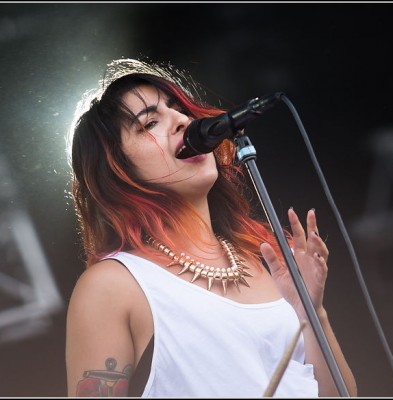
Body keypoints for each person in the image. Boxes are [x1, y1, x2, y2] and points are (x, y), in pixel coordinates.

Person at [65, 58, 357, 397]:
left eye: (179, 109)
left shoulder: (270, 260)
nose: (181, 122)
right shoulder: (115, 286)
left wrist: (312, 310)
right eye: (149, 124)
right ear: (117, 171)